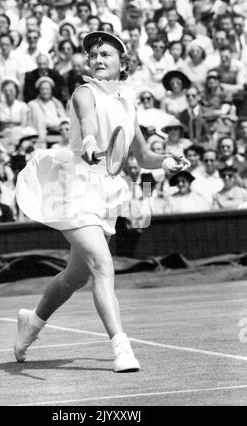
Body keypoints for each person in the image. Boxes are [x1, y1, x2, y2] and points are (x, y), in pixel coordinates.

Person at [15, 31, 187, 373]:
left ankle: (31, 324)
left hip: (108, 191)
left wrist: (166, 161)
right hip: (77, 186)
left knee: (75, 276)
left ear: (122, 62)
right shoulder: (84, 91)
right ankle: (121, 347)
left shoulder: (128, 99)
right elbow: (89, 120)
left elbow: (141, 154)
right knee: (102, 266)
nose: (97, 59)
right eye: (93, 54)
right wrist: (91, 141)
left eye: (105, 53)